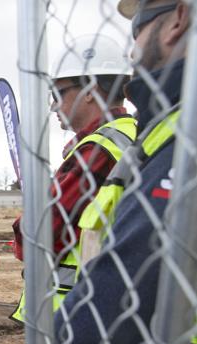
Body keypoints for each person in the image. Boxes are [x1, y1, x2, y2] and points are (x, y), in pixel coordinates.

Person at [53, 1, 197, 344]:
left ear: (178, 17)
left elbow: (115, 291)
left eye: (137, 26)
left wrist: (49, 341)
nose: (131, 43)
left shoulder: (176, 140)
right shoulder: (156, 135)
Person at [11, 34, 137, 322]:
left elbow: (40, 233)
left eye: (59, 94)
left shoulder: (97, 150)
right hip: (109, 308)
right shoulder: (133, 133)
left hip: (72, 316)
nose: (53, 106)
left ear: (90, 90)